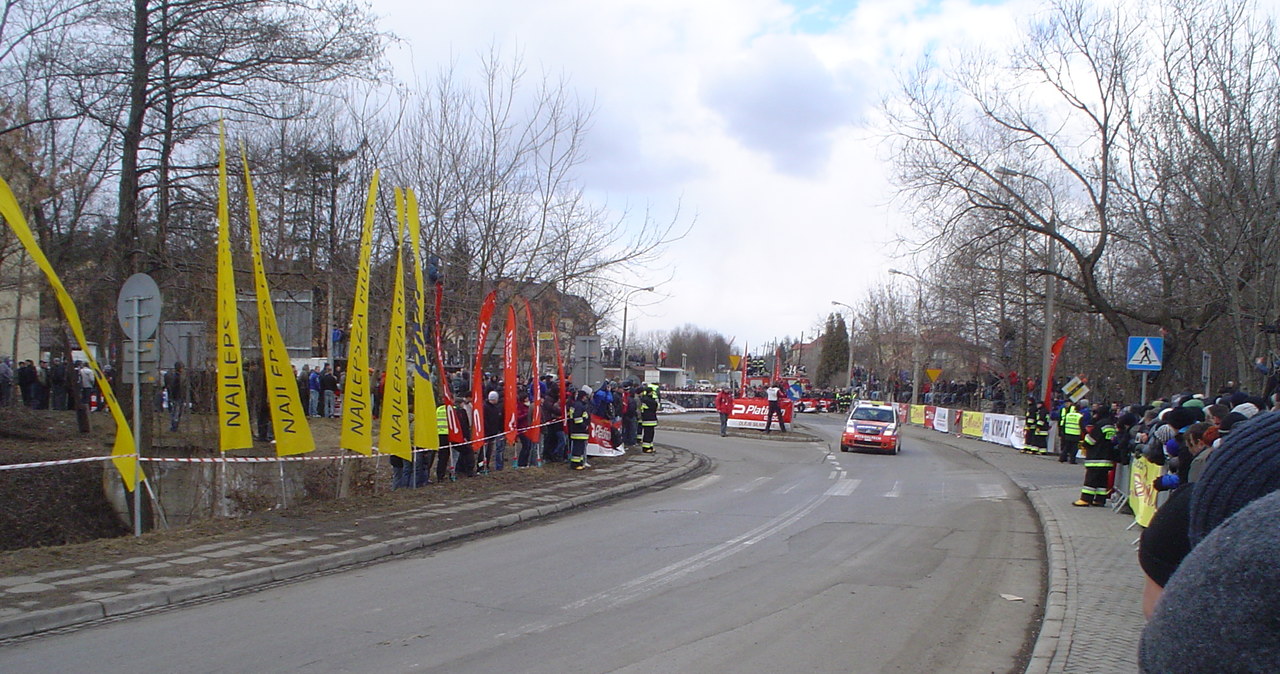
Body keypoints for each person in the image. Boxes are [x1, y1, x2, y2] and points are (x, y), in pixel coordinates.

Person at [1072, 405, 1117, 506]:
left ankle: (1085, 499)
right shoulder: (1111, 425)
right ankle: (1100, 500)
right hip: (1107, 457)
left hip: (1096, 458)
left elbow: (1090, 441)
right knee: (1102, 480)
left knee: (1090, 479)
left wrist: (1085, 440)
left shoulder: (1100, 425)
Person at [568, 385, 591, 470]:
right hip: (579, 431)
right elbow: (577, 418)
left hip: (578, 431)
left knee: (580, 449)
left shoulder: (577, 404)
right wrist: (584, 426)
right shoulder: (579, 406)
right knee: (577, 449)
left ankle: (579, 463)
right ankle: (575, 464)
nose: (586, 398)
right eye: (585, 397)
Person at [483, 390, 505, 472]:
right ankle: (482, 466)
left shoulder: (495, 407)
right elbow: (485, 420)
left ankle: (487, 465)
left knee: (489, 451)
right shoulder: (485, 407)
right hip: (488, 432)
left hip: (493, 431)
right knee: (484, 451)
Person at [542, 389, 565, 462]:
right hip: (549, 422)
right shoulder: (549, 400)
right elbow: (553, 409)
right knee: (549, 439)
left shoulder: (551, 399)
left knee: (553, 440)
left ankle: (551, 455)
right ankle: (548, 455)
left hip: (553, 422)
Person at [638, 382, 659, 453]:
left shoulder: (643, 399)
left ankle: (649, 446)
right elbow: (656, 406)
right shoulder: (651, 401)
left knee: (648, 434)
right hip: (650, 419)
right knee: (649, 434)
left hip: (645, 419)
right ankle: (646, 448)